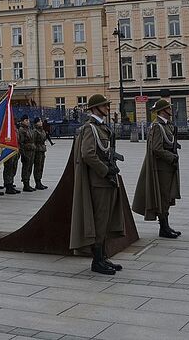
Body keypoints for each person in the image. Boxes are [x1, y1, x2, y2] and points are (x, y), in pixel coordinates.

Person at [70, 94, 128, 275]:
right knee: (100, 221)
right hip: (99, 182)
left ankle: (102, 256)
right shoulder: (90, 129)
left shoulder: (102, 128)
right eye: (104, 106)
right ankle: (97, 261)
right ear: (95, 108)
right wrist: (105, 170)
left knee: (106, 220)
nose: (107, 108)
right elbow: (88, 154)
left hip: (107, 181)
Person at [133, 99, 182, 239]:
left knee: (167, 197)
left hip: (168, 167)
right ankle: (163, 227)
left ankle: (166, 226)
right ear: (162, 111)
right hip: (161, 168)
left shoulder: (167, 125)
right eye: (168, 108)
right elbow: (156, 148)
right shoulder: (157, 126)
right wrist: (171, 157)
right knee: (162, 197)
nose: (170, 110)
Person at [18, 116, 36, 192]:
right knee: (26, 168)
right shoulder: (21, 130)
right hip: (26, 151)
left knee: (29, 168)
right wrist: (23, 153)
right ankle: (25, 184)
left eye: (28, 120)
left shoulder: (28, 129)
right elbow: (21, 143)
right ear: (22, 121)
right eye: (26, 120)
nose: (28, 121)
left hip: (31, 151)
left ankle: (28, 183)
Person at [33, 118, 49, 190]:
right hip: (37, 150)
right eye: (39, 121)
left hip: (42, 149)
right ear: (36, 123)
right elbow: (34, 141)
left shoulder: (42, 130)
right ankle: (37, 182)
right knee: (37, 167)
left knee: (41, 166)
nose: (41, 122)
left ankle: (40, 181)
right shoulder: (35, 131)